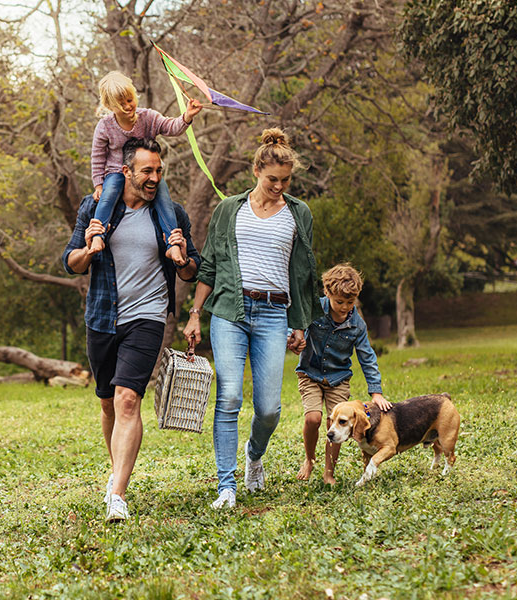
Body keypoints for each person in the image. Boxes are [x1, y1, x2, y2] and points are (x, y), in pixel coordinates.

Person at [62, 137, 201, 522]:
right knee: (107, 401)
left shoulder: (170, 214)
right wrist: (89, 251)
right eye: (147, 171)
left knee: (127, 399)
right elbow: (70, 261)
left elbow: (193, 269)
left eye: (159, 170)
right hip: (103, 317)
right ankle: (116, 472)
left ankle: (118, 495)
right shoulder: (95, 208)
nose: (154, 177)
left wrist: (183, 256)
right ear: (126, 171)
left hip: (149, 316)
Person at [183, 127, 323, 508]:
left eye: (286, 180)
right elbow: (209, 266)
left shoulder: (299, 214)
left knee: (268, 409)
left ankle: (254, 454)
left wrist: (301, 322)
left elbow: (304, 272)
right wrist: (195, 314)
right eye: (272, 179)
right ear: (256, 172)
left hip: (275, 313)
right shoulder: (229, 209)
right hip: (230, 310)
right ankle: (225, 486)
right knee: (228, 396)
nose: (279, 186)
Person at [89, 71, 202, 267]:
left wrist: (187, 116)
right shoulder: (105, 127)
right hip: (116, 171)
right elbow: (98, 156)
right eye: (120, 104)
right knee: (109, 194)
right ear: (109, 106)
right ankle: (98, 234)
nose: (127, 106)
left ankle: (172, 242)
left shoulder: (148, 117)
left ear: (134, 95)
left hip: (146, 172)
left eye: (129, 99)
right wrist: (98, 184)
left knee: (164, 197)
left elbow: (170, 127)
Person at [295, 263, 391, 484]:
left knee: (335, 424)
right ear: (327, 293)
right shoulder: (314, 310)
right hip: (310, 374)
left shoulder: (357, 324)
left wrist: (375, 392)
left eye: (350, 302)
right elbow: (296, 329)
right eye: (339, 302)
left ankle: (329, 472)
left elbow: (367, 357)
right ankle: (309, 459)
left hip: (338, 379)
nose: (345, 307)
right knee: (313, 418)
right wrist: (295, 341)